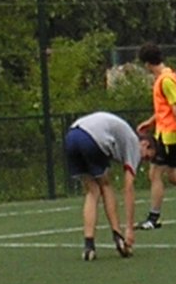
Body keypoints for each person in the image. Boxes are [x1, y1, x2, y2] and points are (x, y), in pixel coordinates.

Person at [63, 111, 157, 260]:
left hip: (71, 137)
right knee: (106, 185)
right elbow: (128, 187)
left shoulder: (123, 138)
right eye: (147, 156)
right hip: (92, 138)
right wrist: (129, 229)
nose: (143, 160)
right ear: (145, 144)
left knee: (92, 191)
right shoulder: (134, 144)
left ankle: (89, 246)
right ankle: (118, 236)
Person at [136, 43, 176, 230]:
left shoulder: (166, 80)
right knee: (173, 176)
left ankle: (153, 218)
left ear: (147, 63)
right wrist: (151, 122)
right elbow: (165, 108)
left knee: (156, 173)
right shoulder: (166, 77)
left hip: (170, 135)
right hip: (165, 133)